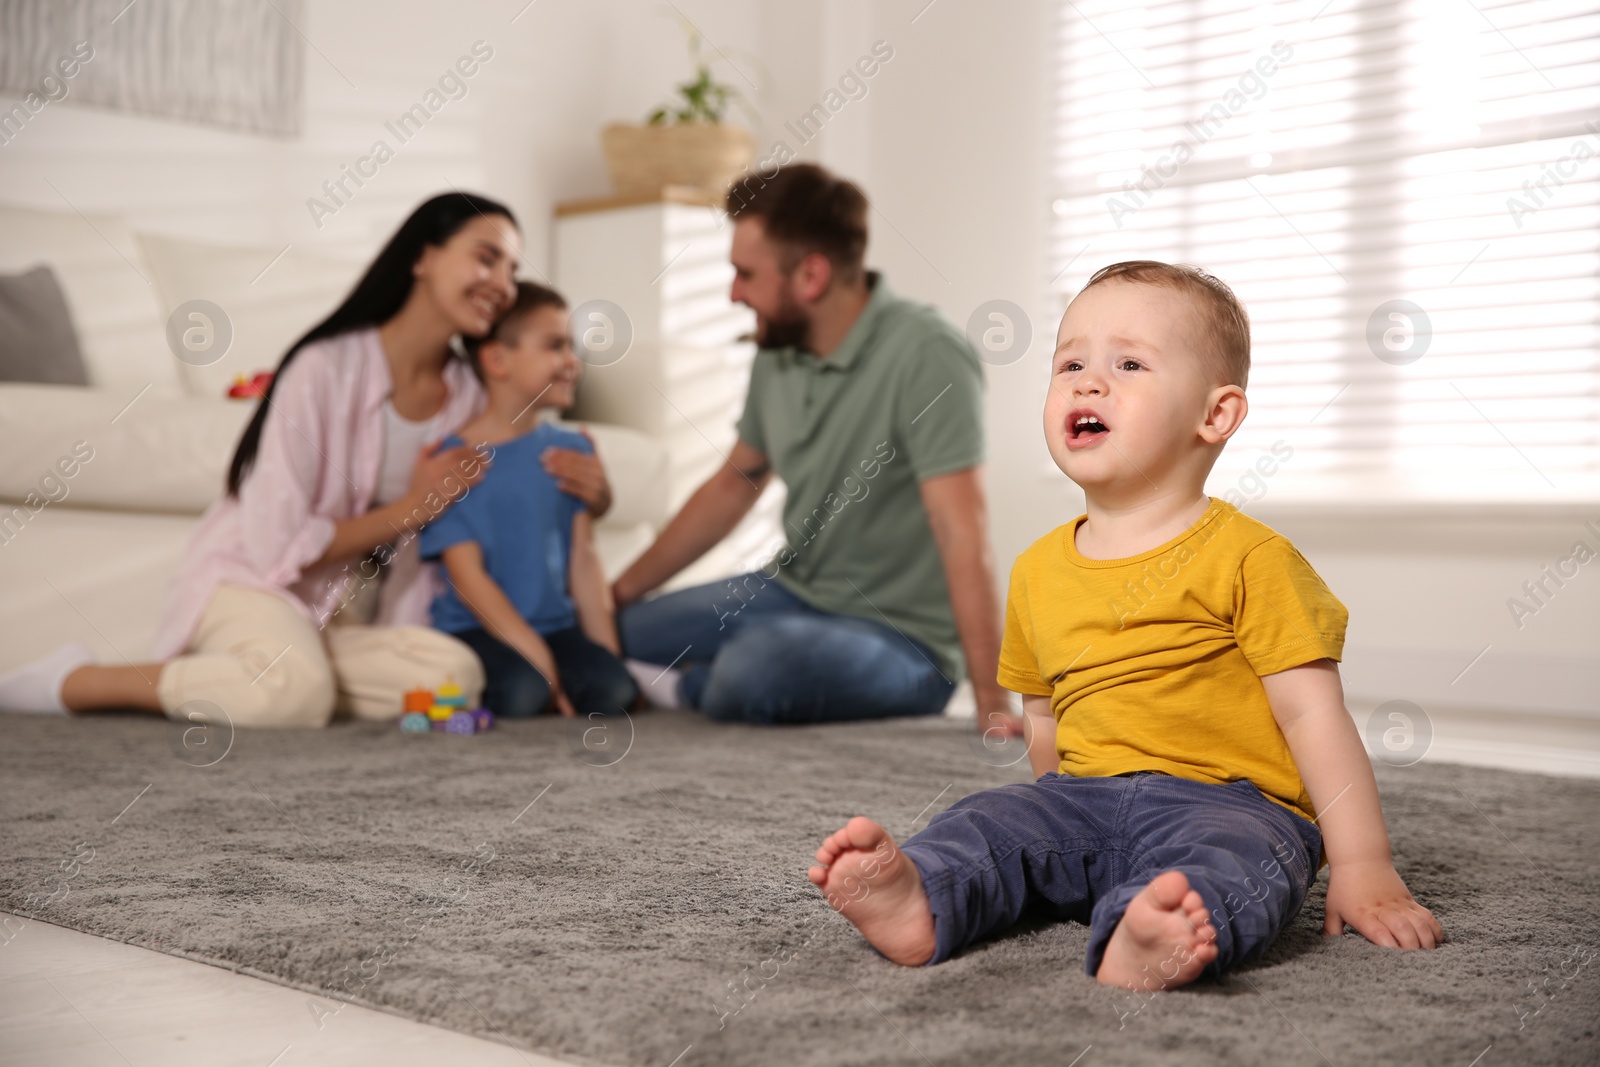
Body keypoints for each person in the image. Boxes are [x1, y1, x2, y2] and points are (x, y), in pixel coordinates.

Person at [807, 261, 1444, 988]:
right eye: (1070, 362)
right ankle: (921, 896)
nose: (1086, 381)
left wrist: (1364, 864)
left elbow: (1313, 716)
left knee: (1239, 864)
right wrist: (1049, 814)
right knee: (990, 820)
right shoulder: (1037, 568)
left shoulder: (1252, 558)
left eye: (1128, 363)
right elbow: (1042, 717)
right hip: (1083, 795)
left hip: (1226, 802)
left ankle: (1153, 930)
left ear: (1216, 415)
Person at [0, 192, 609, 727]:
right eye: (486, 256)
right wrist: (409, 508)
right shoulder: (324, 368)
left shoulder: (472, 394)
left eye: (511, 266)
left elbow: (513, 489)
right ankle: (78, 683)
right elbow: (276, 544)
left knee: (457, 676)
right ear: (422, 257)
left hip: (341, 607)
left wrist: (594, 496)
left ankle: (260, 670)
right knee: (296, 696)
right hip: (255, 579)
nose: (502, 281)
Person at [613, 163, 1020, 735]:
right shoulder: (777, 349)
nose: (734, 294)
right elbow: (735, 483)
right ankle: (706, 667)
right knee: (620, 634)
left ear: (811, 276)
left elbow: (961, 527)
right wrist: (615, 596)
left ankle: (693, 683)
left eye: (745, 275)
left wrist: (992, 698)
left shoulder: (927, 353)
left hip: (901, 637)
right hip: (789, 591)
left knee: (758, 669)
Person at [420, 282, 638, 720]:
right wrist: (538, 658)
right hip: (477, 629)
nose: (572, 362)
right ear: (498, 360)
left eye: (571, 347)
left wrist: (608, 657)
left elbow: (584, 560)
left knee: (615, 692)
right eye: (555, 346)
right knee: (525, 690)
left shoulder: (572, 451)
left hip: (557, 627)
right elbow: (468, 579)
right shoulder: (452, 462)